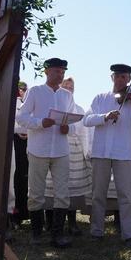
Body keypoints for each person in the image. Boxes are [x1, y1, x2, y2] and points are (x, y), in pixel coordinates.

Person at [83, 64, 131, 246]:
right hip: (101, 151)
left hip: (123, 153)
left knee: (126, 195)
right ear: (112, 77)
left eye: (125, 77)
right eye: (118, 76)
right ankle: (96, 231)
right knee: (98, 193)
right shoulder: (100, 98)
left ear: (129, 79)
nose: (121, 80)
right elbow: (87, 120)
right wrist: (104, 116)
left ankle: (129, 235)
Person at [16, 58, 74, 248]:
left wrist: (68, 129)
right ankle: (36, 233)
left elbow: (73, 122)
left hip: (60, 150)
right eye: (58, 71)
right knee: (35, 192)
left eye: (63, 72)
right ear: (47, 71)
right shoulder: (35, 91)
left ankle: (57, 234)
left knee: (62, 193)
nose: (61, 74)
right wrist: (41, 123)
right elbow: (21, 118)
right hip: (38, 149)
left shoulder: (67, 95)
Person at [43, 77, 91, 236]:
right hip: (53, 147)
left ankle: (71, 222)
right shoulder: (52, 104)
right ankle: (50, 222)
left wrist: (86, 152)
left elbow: (83, 132)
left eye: (71, 87)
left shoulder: (78, 108)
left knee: (72, 186)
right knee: (51, 186)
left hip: (74, 150)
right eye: (66, 87)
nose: (69, 90)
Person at [12, 81, 29, 226]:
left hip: (26, 144)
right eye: (20, 89)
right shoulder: (12, 102)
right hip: (12, 142)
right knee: (13, 177)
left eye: (24, 89)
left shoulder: (28, 103)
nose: (22, 91)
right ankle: (13, 214)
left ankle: (22, 213)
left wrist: (28, 133)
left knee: (24, 178)